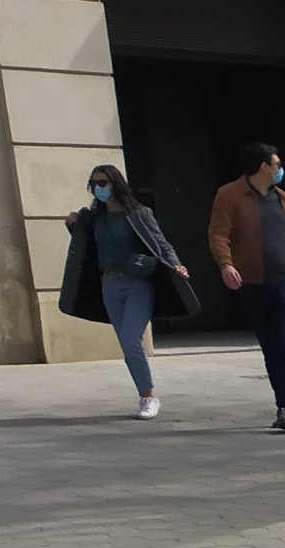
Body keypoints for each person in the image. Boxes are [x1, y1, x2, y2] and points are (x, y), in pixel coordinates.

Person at [58, 163, 196, 420]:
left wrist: (175, 263)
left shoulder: (139, 214)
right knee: (126, 344)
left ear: (115, 184)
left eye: (103, 183)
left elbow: (160, 242)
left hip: (137, 284)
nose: (99, 188)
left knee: (132, 340)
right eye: (95, 184)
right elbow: (85, 248)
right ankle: (143, 393)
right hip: (109, 285)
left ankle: (149, 397)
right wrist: (73, 224)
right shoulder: (95, 218)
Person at [207, 141, 285, 432]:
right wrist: (226, 264)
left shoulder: (282, 198)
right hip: (254, 282)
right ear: (264, 167)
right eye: (277, 164)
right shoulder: (229, 195)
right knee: (271, 345)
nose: (280, 170)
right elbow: (218, 234)